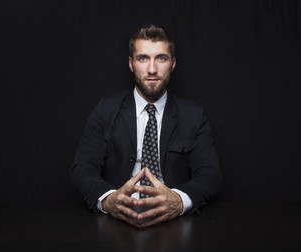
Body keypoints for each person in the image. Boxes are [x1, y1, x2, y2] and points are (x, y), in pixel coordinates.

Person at [70, 24, 222, 228]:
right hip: (115, 223)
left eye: (161, 58)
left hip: (176, 223)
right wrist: (108, 199)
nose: (152, 69)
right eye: (143, 58)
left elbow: (210, 173)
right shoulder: (105, 110)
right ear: (131, 64)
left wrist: (178, 201)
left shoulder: (194, 115)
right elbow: (82, 167)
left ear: (173, 64)